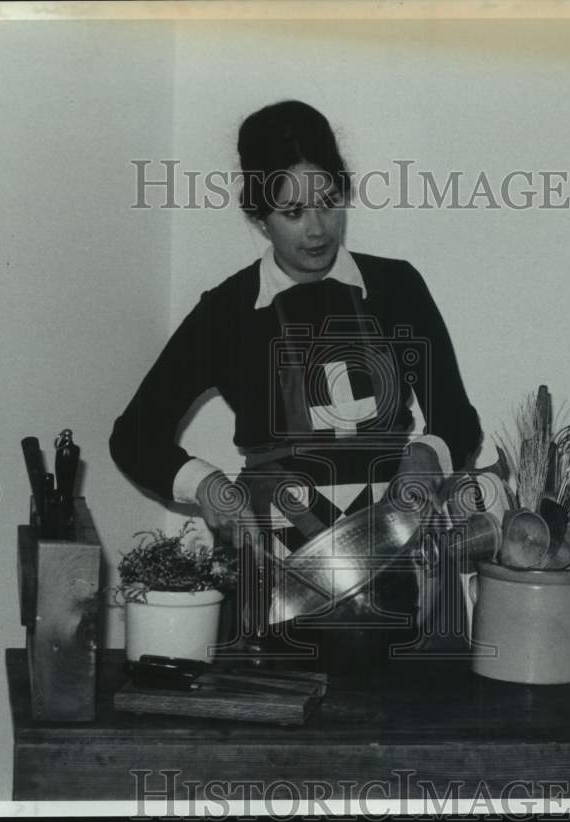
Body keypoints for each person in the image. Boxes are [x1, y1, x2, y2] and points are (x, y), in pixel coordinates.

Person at [110, 100, 482, 669]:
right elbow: (134, 436)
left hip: (402, 569)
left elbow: (458, 421)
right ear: (258, 217)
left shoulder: (397, 288)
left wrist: (429, 457)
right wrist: (208, 487)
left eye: (329, 203)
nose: (316, 229)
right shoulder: (228, 312)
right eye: (292, 213)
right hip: (276, 586)